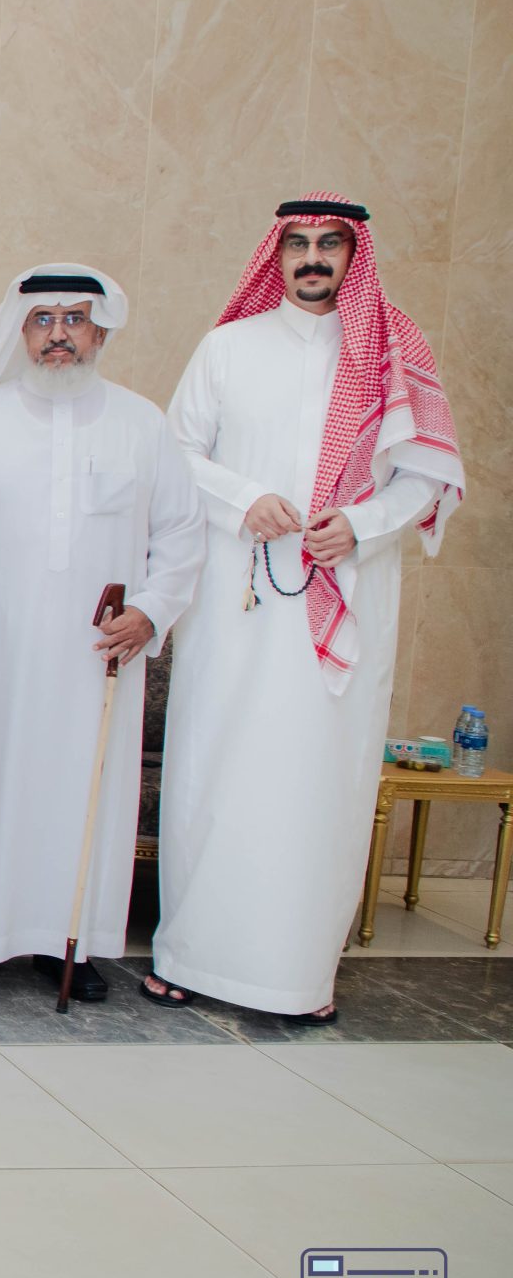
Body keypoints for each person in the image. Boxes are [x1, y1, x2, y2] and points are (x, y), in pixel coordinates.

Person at [152, 197, 462, 1023]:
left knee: (319, 778)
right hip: (239, 596)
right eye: (297, 243)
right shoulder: (228, 347)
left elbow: (428, 474)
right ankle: (189, 955)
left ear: (354, 257)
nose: (313, 257)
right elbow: (174, 452)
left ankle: (296, 977)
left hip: (347, 591)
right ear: (277, 254)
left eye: (329, 243)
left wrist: (362, 523)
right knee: (216, 762)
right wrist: (245, 498)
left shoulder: (396, 350)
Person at [0, 266, 203, 997]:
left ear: (101, 331)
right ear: (22, 331)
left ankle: (72, 942)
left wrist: (151, 610)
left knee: (85, 792)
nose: (59, 334)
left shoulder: (142, 425)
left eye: (74, 319)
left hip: (97, 658)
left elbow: (182, 533)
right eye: (44, 320)